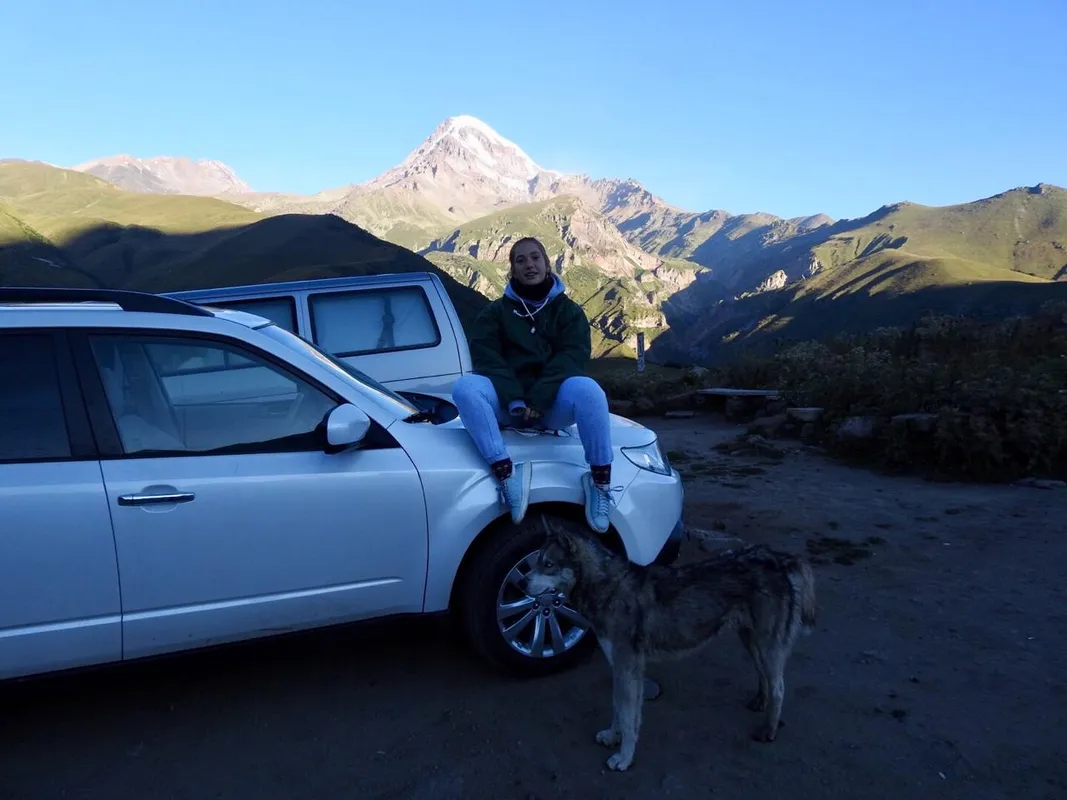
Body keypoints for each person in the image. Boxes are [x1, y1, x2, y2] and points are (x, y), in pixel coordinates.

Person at [451, 236, 618, 533]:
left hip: (551, 407)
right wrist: (516, 400)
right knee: (466, 388)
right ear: (512, 270)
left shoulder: (569, 313)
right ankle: (507, 475)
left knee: (588, 389)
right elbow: (488, 360)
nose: (529, 265)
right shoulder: (494, 313)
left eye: (535, 257)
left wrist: (540, 400)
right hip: (509, 405)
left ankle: (600, 484)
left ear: (547, 264)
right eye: (521, 260)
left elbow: (571, 358)